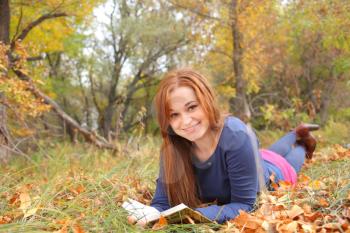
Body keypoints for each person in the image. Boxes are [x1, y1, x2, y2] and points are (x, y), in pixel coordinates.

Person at [127, 68, 319, 226]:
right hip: (254, 158)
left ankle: (302, 141)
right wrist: (151, 214)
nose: (185, 121)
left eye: (192, 107)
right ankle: (295, 132)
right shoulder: (173, 147)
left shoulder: (237, 136)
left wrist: (193, 215)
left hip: (275, 172)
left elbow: (245, 204)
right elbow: (162, 201)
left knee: (291, 159)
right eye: (174, 114)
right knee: (268, 153)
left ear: (206, 101)